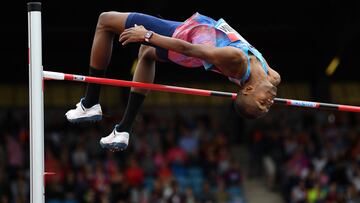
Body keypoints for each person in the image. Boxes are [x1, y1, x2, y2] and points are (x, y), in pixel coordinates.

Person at [65, 12, 281, 151]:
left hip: (188, 39)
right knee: (147, 54)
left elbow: (190, 49)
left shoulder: (237, 60)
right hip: (198, 31)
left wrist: (147, 34)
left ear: (248, 89)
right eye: (265, 106)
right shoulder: (272, 76)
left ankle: (90, 103)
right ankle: (123, 130)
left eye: (262, 104)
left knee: (105, 21)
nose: (269, 104)